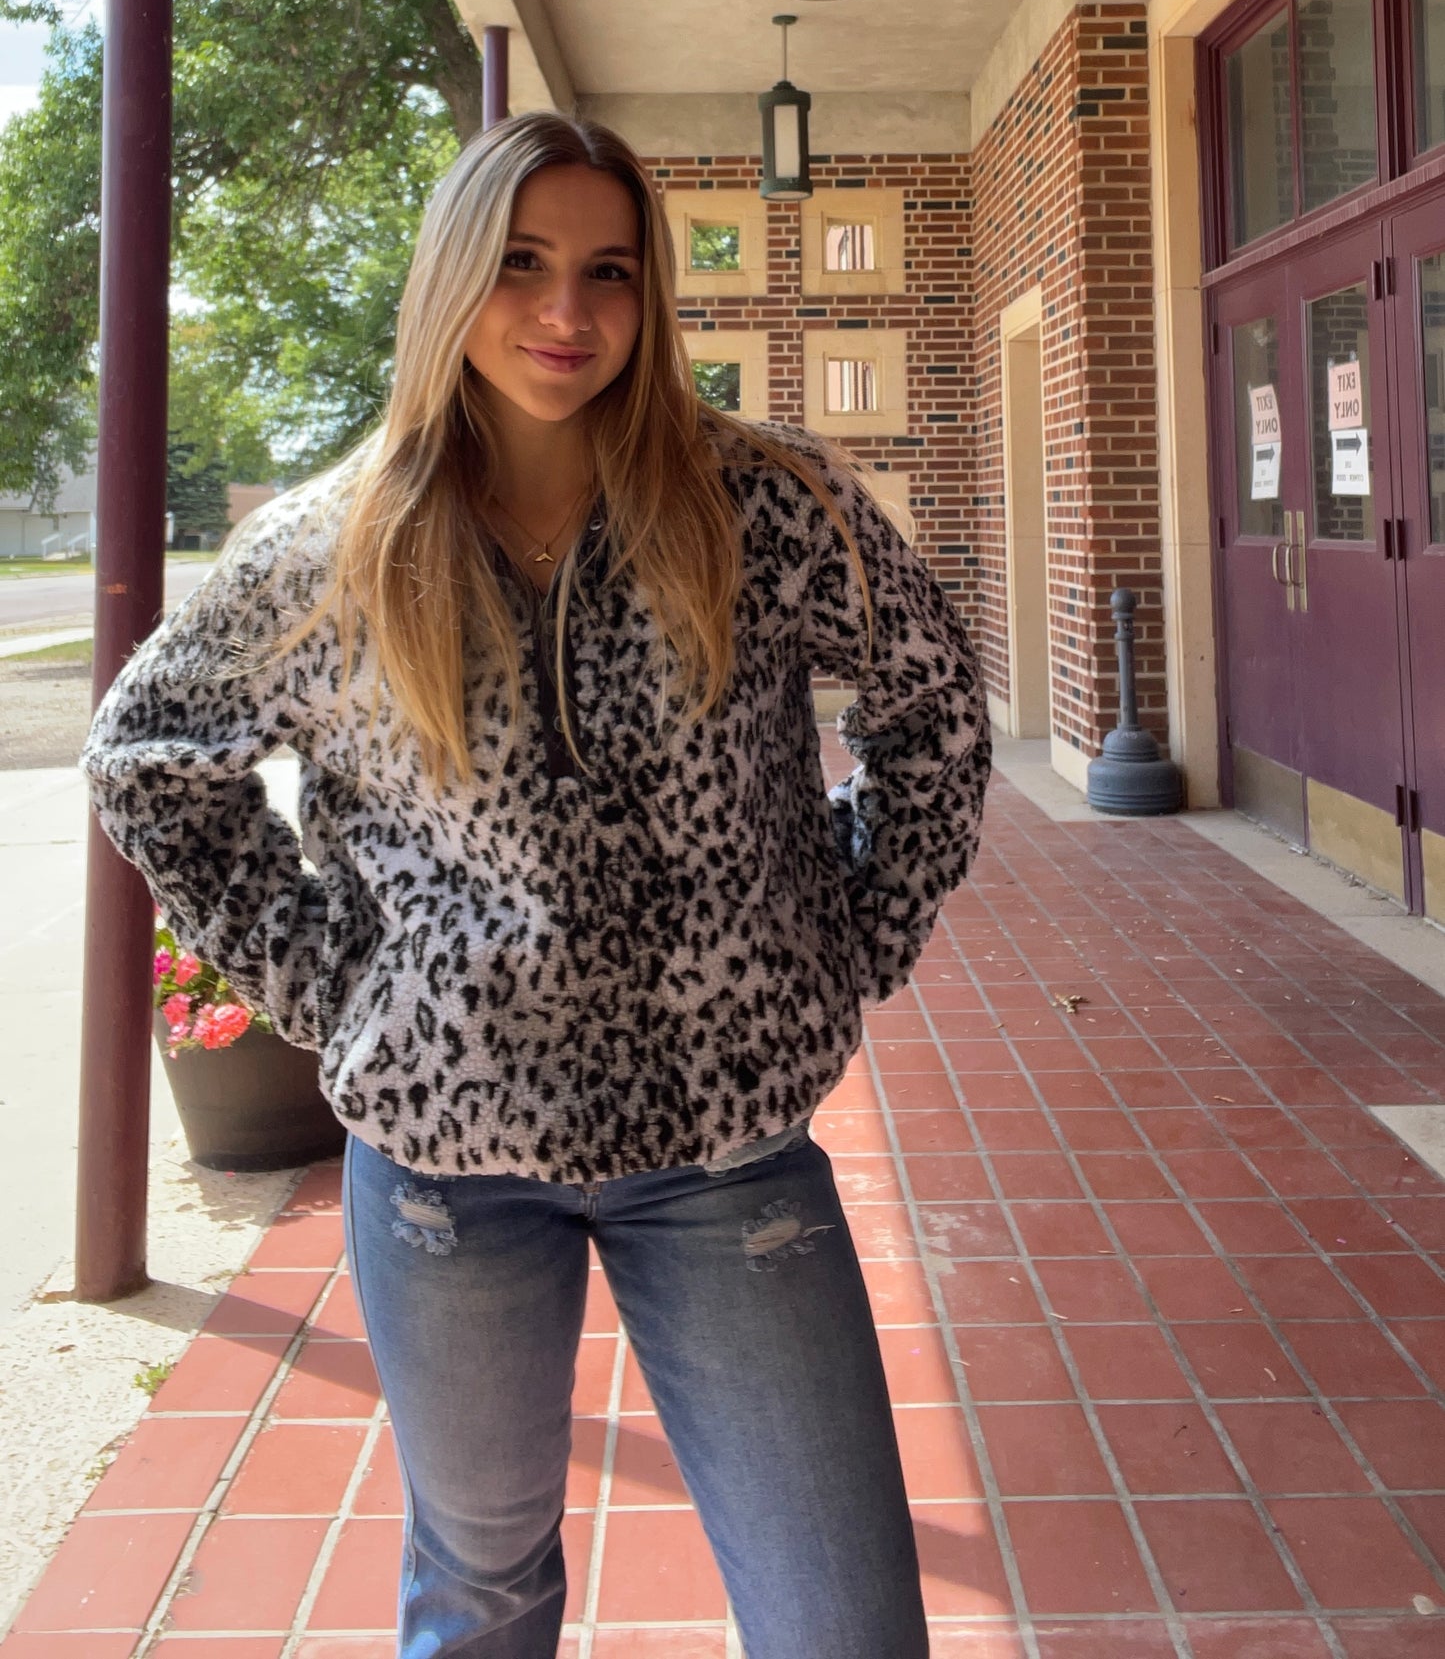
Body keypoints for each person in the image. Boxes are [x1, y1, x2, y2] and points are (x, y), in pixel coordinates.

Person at [85, 111, 991, 1659]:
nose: (565, 313)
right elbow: (150, 755)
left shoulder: (762, 505)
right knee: (482, 1590)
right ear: (450, 277)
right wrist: (336, 982)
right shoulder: (338, 543)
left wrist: (841, 937)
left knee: (843, 1619)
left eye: (607, 270)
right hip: (447, 1176)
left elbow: (935, 712)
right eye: (519, 263)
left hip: (728, 1161)